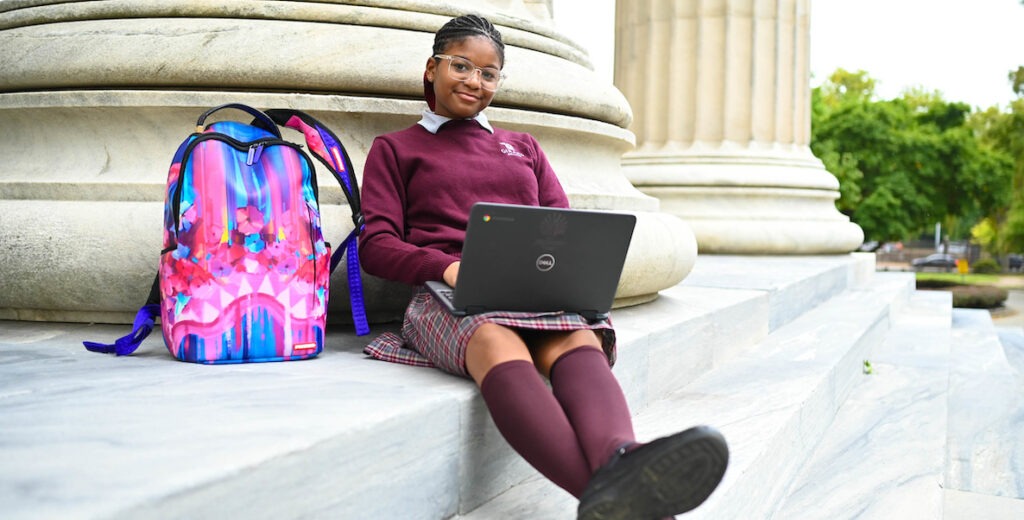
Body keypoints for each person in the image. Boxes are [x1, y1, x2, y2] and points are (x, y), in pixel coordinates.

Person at [358, 14, 729, 519]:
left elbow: (564, 227)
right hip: (447, 296)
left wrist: (572, 270)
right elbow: (376, 246)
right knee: (493, 338)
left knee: (578, 336)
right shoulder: (396, 148)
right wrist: (446, 268)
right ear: (432, 69)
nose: (474, 81)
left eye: (489, 74)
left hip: (534, 290)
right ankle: (617, 498)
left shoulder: (524, 146)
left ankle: (621, 456)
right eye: (461, 66)